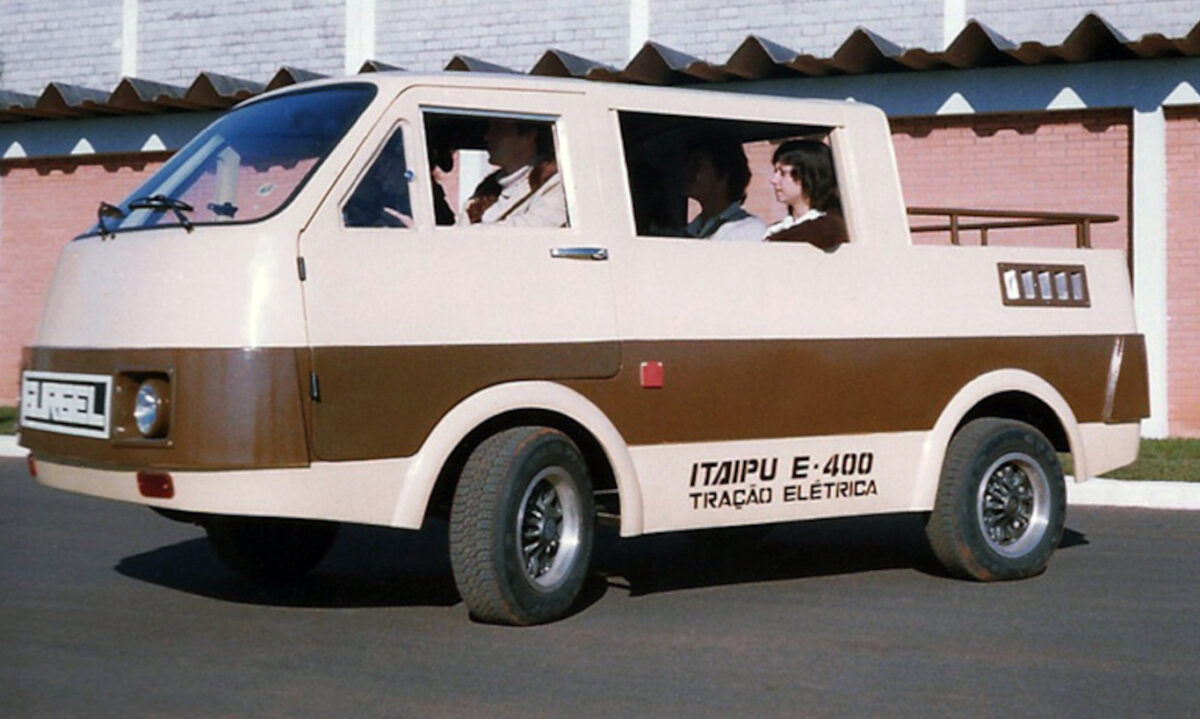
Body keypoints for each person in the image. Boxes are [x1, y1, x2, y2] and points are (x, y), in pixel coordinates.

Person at [464, 120, 566, 227]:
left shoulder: (556, 183)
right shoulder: (486, 189)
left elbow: (534, 229)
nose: (487, 137)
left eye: (499, 129)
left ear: (529, 135)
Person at [764, 139, 848, 250]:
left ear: (809, 175)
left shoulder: (831, 226)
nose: (774, 180)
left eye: (783, 173)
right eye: (775, 172)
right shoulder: (777, 228)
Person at [682, 133, 766, 242]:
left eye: (698, 165)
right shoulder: (692, 229)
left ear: (724, 175)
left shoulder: (748, 230)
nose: (687, 172)